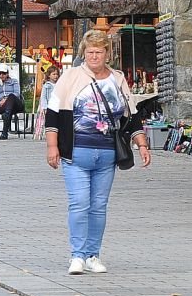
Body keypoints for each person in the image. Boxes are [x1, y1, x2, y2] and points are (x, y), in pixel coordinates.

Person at [44, 30, 150, 275]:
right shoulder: (70, 77)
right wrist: (52, 146)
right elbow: (53, 113)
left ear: (107, 54)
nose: (94, 56)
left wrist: (142, 144)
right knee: (79, 203)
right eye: (90, 52)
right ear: (84, 53)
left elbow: (132, 115)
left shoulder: (117, 79)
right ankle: (77, 255)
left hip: (107, 153)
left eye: (99, 52)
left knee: (99, 206)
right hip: (76, 151)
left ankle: (93, 254)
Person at [33, 65, 60, 138]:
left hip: (58, 105)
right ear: (49, 75)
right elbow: (43, 97)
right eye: (54, 74)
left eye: (57, 74)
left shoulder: (59, 85)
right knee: (49, 121)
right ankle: (46, 133)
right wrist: (44, 107)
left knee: (58, 121)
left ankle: (57, 133)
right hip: (49, 106)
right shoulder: (46, 86)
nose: (56, 76)